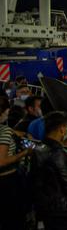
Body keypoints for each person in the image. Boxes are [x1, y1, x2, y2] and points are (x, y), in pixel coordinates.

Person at [0, 96, 31, 230]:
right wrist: (24, 153)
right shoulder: (5, 131)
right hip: (7, 182)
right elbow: (1, 161)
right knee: (12, 220)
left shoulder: (7, 131)